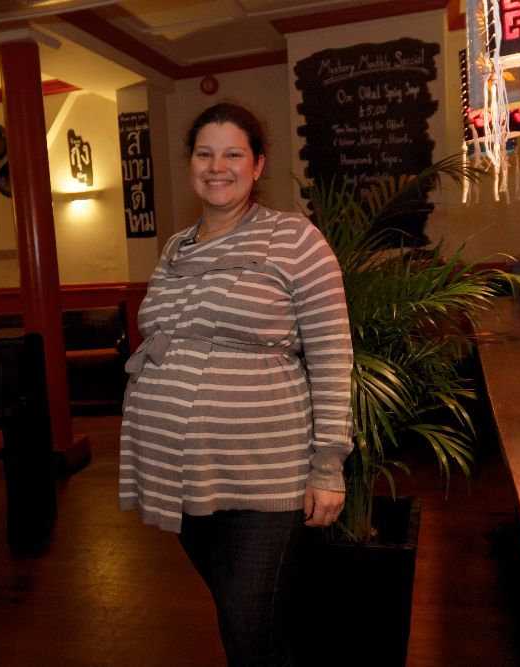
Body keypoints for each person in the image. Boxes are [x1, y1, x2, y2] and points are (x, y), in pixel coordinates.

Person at [119, 102, 354, 666]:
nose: (216, 166)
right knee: (243, 616)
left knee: (252, 628)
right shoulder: (176, 248)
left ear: (258, 164)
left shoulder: (294, 239)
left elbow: (331, 352)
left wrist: (328, 464)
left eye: (233, 154)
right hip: (182, 474)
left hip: (264, 471)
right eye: (205, 153)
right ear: (191, 163)